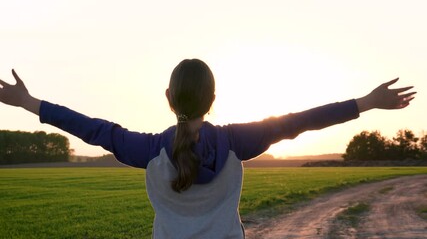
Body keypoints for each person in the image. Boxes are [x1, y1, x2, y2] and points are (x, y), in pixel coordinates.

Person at [0, 59, 416, 238]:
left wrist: (29, 103)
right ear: (213, 98)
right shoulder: (236, 142)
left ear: (168, 97)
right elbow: (302, 120)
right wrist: (366, 102)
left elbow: (90, 128)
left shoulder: (147, 151)